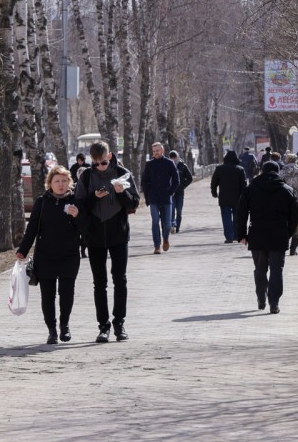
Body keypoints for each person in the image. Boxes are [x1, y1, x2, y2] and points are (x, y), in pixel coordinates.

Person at [75, 141, 140, 343]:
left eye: (103, 162)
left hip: (118, 233)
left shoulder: (123, 173)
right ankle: (103, 326)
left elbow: (134, 203)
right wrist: (94, 197)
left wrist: (121, 193)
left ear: (110, 156)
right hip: (94, 236)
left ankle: (119, 323)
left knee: (120, 279)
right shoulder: (86, 176)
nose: (100, 167)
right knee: (99, 283)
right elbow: (79, 206)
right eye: (96, 163)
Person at [17, 166, 84, 344]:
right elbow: (32, 228)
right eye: (57, 181)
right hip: (45, 256)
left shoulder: (76, 201)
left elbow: (86, 230)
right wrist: (23, 250)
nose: (61, 185)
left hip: (69, 255)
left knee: (66, 293)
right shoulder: (42, 202)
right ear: (50, 184)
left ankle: (65, 325)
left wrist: (78, 216)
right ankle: (52, 330)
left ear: (69, 183)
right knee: (48, 296)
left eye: (64, 181)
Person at [235, 161, 298, 314]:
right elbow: (295, 215)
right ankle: (274, 303)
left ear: (262, 171)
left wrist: (241, 235)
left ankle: (261, 298)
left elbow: (241, 212)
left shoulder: (251, 188)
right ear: (278, 172)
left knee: (260, 269)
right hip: (279, 235)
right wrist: (288, 232)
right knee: (277, 269)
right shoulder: (286, 190)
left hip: (257, 235)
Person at [141, 142, 180, 254]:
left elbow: (176, 180)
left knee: (167, 223)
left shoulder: (169, 163)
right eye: (154, 151)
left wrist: (170, 191)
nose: (155, 153)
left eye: (157, 151)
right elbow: (144, 181)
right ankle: (157, 246)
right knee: (155, 222)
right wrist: (148, 195)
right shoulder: (149, 164)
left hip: (166, 197)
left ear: (162, 151)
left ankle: (165, 238)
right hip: (153, 198)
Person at [210, 150, 246, 243]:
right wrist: (244, 197)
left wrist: (214, 193)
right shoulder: (240, 169)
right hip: (237, 198)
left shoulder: (219, 169)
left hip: (224, 197)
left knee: (226, 217)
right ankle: (235, 235)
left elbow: (214, 182)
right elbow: (244, 185)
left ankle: (229, 237)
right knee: (237, 217)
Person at [168, 150, 193, 233]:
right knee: (171, 211)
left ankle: (177, 227)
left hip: (180, 193)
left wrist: (183, 186)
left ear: (177, 157)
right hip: (171, 193)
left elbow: (190, 178)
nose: (173, 159)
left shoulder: (182, 166)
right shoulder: (167, 166)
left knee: (179, 211)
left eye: (174, 157)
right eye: (171, 157)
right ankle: (172, 226)